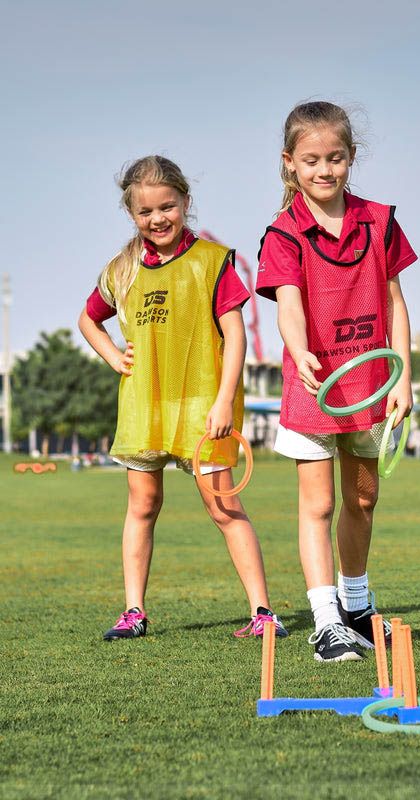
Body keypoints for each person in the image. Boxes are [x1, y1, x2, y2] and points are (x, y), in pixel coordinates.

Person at [78, 155, 286, 642]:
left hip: (202, 406)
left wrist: (222, 401)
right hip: (144, 405)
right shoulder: (122, 268)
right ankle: (133, 612)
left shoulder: (214, 262)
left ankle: (262, 612)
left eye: (167, 207)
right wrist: (112, 356)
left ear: (185, 202)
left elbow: (235, 338)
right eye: (145, 212)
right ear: (132, 214)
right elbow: (88, 318)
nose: (158, 219)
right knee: (142, 505)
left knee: (223, 508)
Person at [256, 101, 416, 662]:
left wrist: (404, 377)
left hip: (372, 386)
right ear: (290, 163)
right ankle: (327, 621)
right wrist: (299, 351)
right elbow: (288, 305)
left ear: (351, 158)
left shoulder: (379, 221)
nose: (324, 170)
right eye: (312, 160)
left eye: (336, 158)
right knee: (317, 505)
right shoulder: (284, 231)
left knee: (364, 500)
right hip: (314, 389)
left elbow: (396, 303)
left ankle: (356, 604)